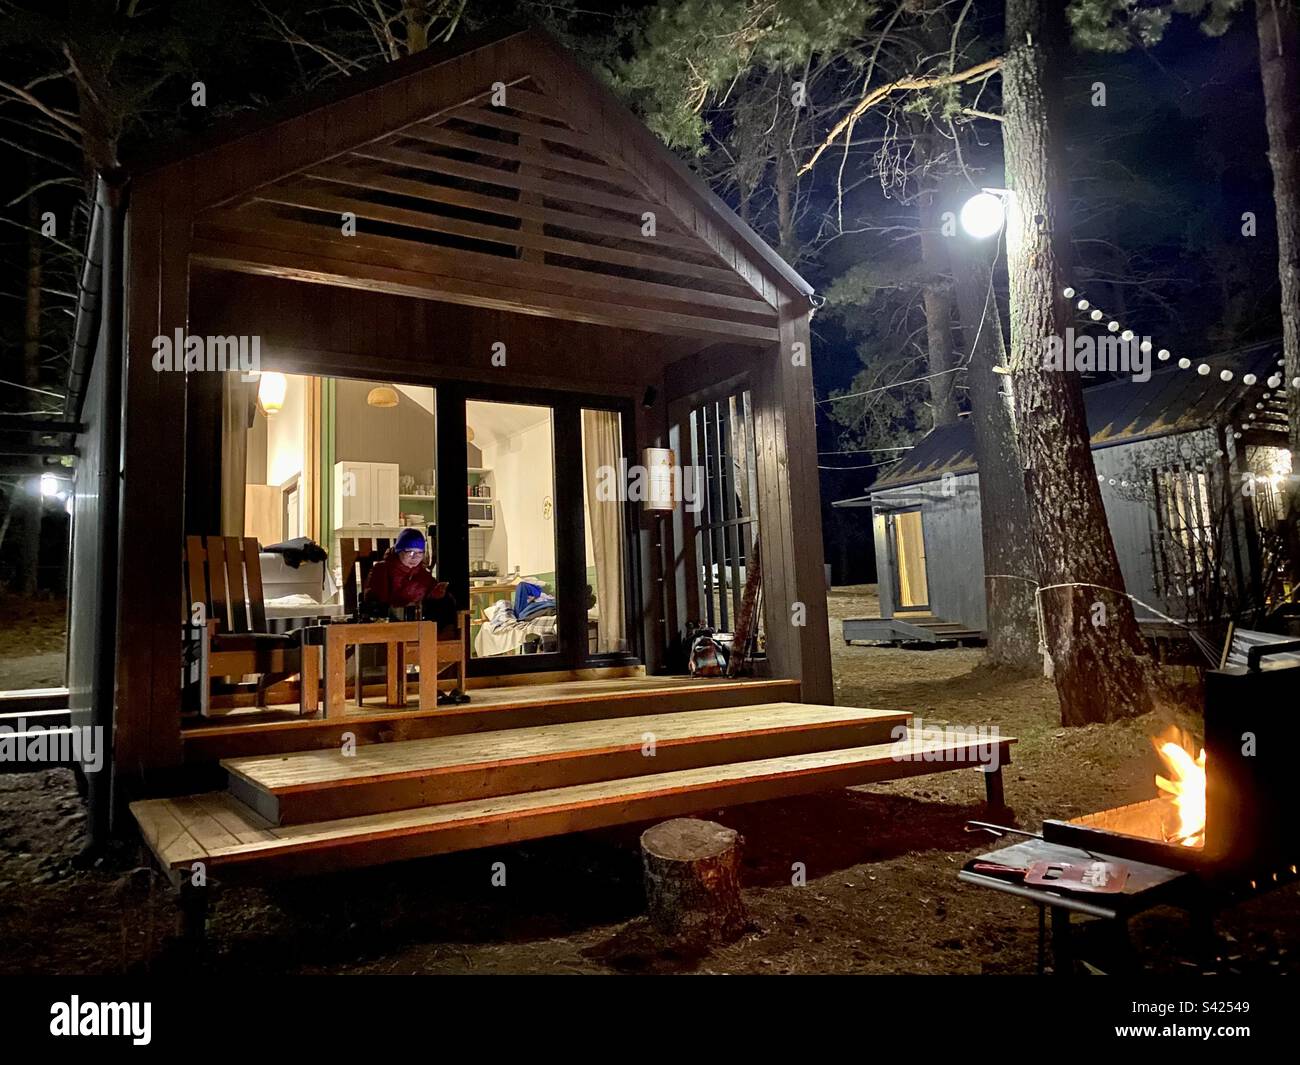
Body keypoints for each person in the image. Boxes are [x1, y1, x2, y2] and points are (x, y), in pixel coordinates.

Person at [361, 528, 468, 704]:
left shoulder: (423, 575)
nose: (413, 557)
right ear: (398, 551)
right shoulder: (382, 569)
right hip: (393, 624)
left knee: (446, 603)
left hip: (420, 625)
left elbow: (431, 595)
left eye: (418, 553)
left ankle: (433, 685)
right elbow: (376, 600)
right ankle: (427, 687)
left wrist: (436, 594)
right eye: (408, 552)